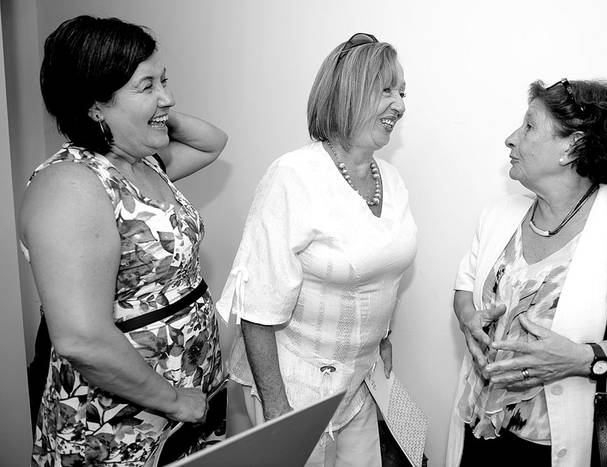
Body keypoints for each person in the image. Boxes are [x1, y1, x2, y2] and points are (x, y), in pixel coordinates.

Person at [446, 78, 607, 466]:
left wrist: (583, 359)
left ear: (573, 146)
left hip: (573, 447)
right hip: (479, 432)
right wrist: (468, 319)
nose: (511, 139)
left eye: (529, 126)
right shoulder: (499, 215)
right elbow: (465, 287)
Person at [20, 16, 228, 466]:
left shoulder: (142, 162)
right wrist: (174, 400)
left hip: (187, 407)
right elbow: (81, 339)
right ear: (96, 103)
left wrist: (150, 113)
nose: (168, 97)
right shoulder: (70, 185)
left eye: (165, 80)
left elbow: (214, 142)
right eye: (147, 84)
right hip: (119, 424)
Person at [217, 33, 416, 466]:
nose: (400, 104)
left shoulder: (392, 181)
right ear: (348, 94)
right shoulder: (293, 176)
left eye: (403, 91)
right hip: (292, 388)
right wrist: (276, 412)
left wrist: (382, 334)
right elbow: (257, 308)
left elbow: (382, 268)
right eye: (387, 89)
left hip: (358, 383)